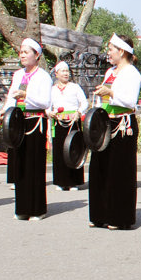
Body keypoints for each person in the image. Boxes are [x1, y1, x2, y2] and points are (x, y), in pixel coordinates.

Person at [89, 33, 141, 230]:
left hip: (123, 124)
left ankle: (119, 216)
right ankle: (100, 214)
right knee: (101, 169)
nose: (108, 53)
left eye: (111, 49)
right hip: (106, 123)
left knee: (119, 171)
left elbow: (130, 100)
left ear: (122, 51)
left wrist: (110, 92)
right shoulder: (111, 71)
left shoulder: (132, 73)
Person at [0, 38, 51, 220]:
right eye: (20, 52)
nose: (22, 55)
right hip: (18, 121)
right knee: (19, 164)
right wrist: (3, 111)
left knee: (34, 164)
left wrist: (26, 95)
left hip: (35, 121)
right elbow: (12, 97)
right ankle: (21, 208)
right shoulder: (18, 75)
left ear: (37, 55)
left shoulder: (42, 76)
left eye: (26, 52)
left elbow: (45, 102)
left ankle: (36, 209)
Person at [48, 61, 88, 191]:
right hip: (59, 122)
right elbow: (47, 106)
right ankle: (61, 181)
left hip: (73, 122)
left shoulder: (75, 87)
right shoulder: (52, 89)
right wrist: (50, 113)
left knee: (73, 150)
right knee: (60, 151)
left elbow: (84, 103)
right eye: (63, 71)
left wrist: (79, 112)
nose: (66, 73)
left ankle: (74, 181)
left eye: (67, 71)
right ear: (56, 73)